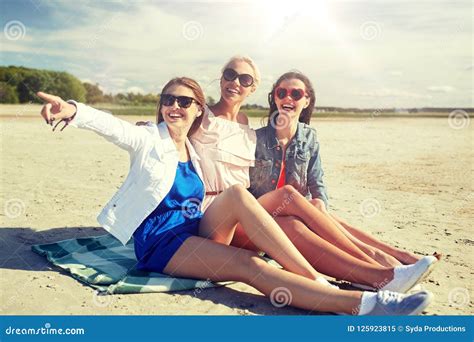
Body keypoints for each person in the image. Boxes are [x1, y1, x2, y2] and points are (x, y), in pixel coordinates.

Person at [36, 77, 432, 315]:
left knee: (266, 197)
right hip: (162, 246)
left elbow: (231, 129)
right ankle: (360, 304)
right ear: (161, 106)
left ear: (197, 111)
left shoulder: (192, 146)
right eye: (168, 100)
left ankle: (382, 275)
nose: (175, 106)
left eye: (185, 101)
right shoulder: (146, 139)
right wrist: (72, 109)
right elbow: (112, 127)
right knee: (248, 265)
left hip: (196, 230)